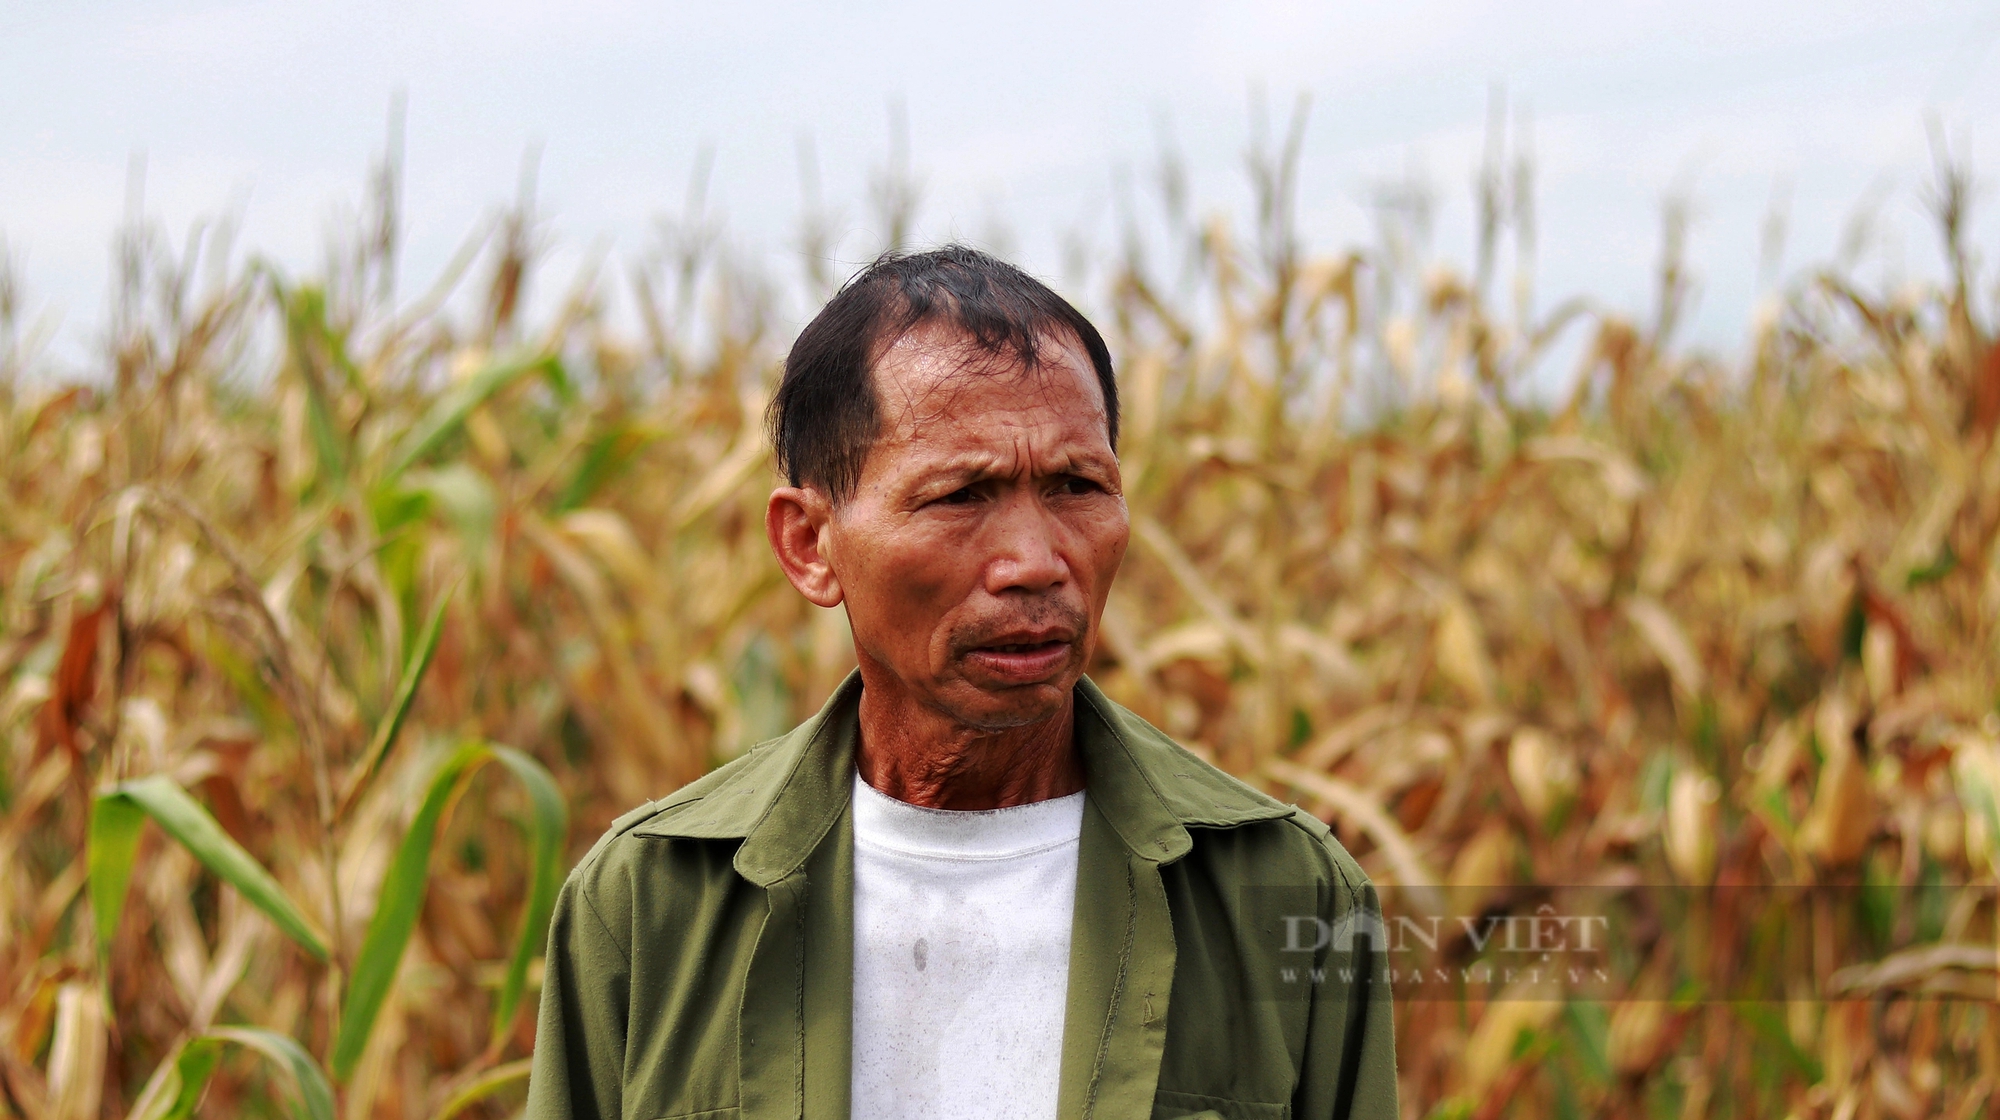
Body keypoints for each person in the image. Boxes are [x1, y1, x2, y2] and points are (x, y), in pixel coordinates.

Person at [524, 246, 1397, 1120]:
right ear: (808, 545)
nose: (1035, 562)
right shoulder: (650, 904)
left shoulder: (1288, 895)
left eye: (1077, 485)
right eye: (961, 496)